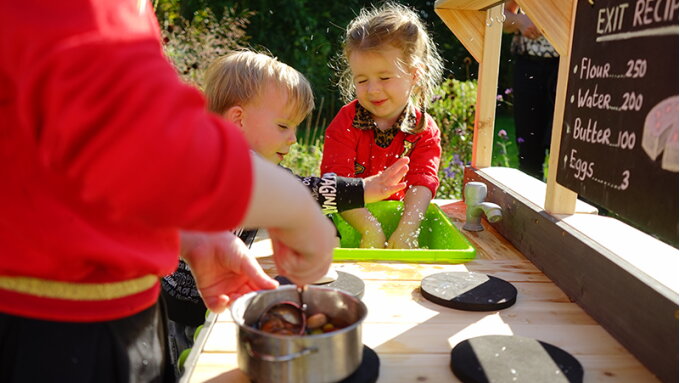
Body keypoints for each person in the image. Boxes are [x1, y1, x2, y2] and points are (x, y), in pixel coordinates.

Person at [0, 1, 337, 382]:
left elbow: (81, 166)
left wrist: (191, 238)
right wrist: (295, 209)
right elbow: (146, 140)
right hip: (56, 336)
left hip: (100, 318)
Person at [161, 50, 411, 369]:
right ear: (238, 119)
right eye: (283, 125)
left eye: (294, 127)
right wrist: (366, 190)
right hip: (194, 306)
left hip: (179, 295)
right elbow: (302, 192)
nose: (293, 138)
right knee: (196, 363)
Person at [320, 2, 443, 249]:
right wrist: (370, 228)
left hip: (400, 218)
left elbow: (422, 182)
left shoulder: (424, 130)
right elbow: (336, 184)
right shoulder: (345, 123)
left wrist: (408, 229)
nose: (373, 89)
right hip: (352, 217)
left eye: (385, 77)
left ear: (414, 74)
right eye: (362, 80)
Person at [503, 0, 560, 180]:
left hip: (574, 64)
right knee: (529, 144)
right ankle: (528, 204)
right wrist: (520, 21)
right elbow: (499, 15)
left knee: (567, 146)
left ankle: (580, 206)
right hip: (528, 65)